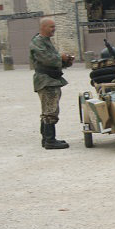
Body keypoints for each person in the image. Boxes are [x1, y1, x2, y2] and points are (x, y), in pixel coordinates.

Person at [29, 17, 73, 150]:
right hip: (46, 81)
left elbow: (52, 61)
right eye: (51, 27)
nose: (54, 29)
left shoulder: (45, 41)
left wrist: (66, 61)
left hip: (51, 79)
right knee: (50, 111)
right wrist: (61, 58)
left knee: (48, 110)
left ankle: (46, 139)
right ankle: (50, 140)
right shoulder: (37, 42)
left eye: (54, 26)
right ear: (43, 27)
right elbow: (47, 59)